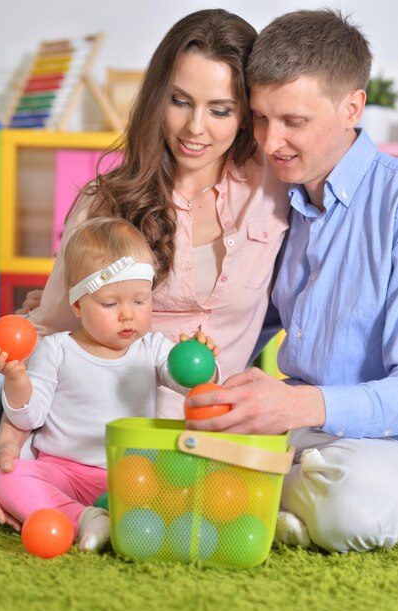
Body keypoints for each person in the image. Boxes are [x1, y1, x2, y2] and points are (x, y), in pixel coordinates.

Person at [0, 8, 290, 526]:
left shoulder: (275, 190)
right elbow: (54, 330)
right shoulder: (108, 198)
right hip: (55, 384)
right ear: (157, 100)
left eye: (220, 109)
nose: (194, 128)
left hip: (149, 425)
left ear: (246, 114)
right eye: (179, 102)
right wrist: (14, 436)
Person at [186, 8, 398, 554]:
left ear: (353, 106)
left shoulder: (391, 205)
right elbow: (256, 318)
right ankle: (275, 492)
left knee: (350, 503)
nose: (270, 141)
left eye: (294, 122)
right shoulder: (284, 200)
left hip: (375, 440)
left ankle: (264, 490)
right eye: (259, 118)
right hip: (298, 431)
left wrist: (297, 407)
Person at [0, 216, 219, 550]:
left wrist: (201, 363)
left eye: (140, 301)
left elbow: (190, 386)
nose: (128, 314)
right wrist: (16, 378)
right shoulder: (57, 349)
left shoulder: (152, 348)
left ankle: (112, 520)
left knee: (190, 480)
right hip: (62, 474)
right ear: (78, 305)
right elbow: (28, 417)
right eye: (110, 304)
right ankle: (88, 520)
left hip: (133, 474)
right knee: (11, 478)